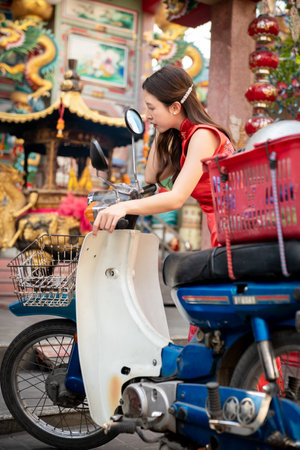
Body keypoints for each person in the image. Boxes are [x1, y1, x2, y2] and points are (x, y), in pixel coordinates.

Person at [92, 64, 234, 246]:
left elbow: (176, 198)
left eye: (152, 108)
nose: (147, 115)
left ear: (175, 107)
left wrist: (123, 206)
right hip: (223, 229)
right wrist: (159, 127)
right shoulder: (185, 137)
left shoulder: (202, 135)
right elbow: (151, 177)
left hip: (235, 229)